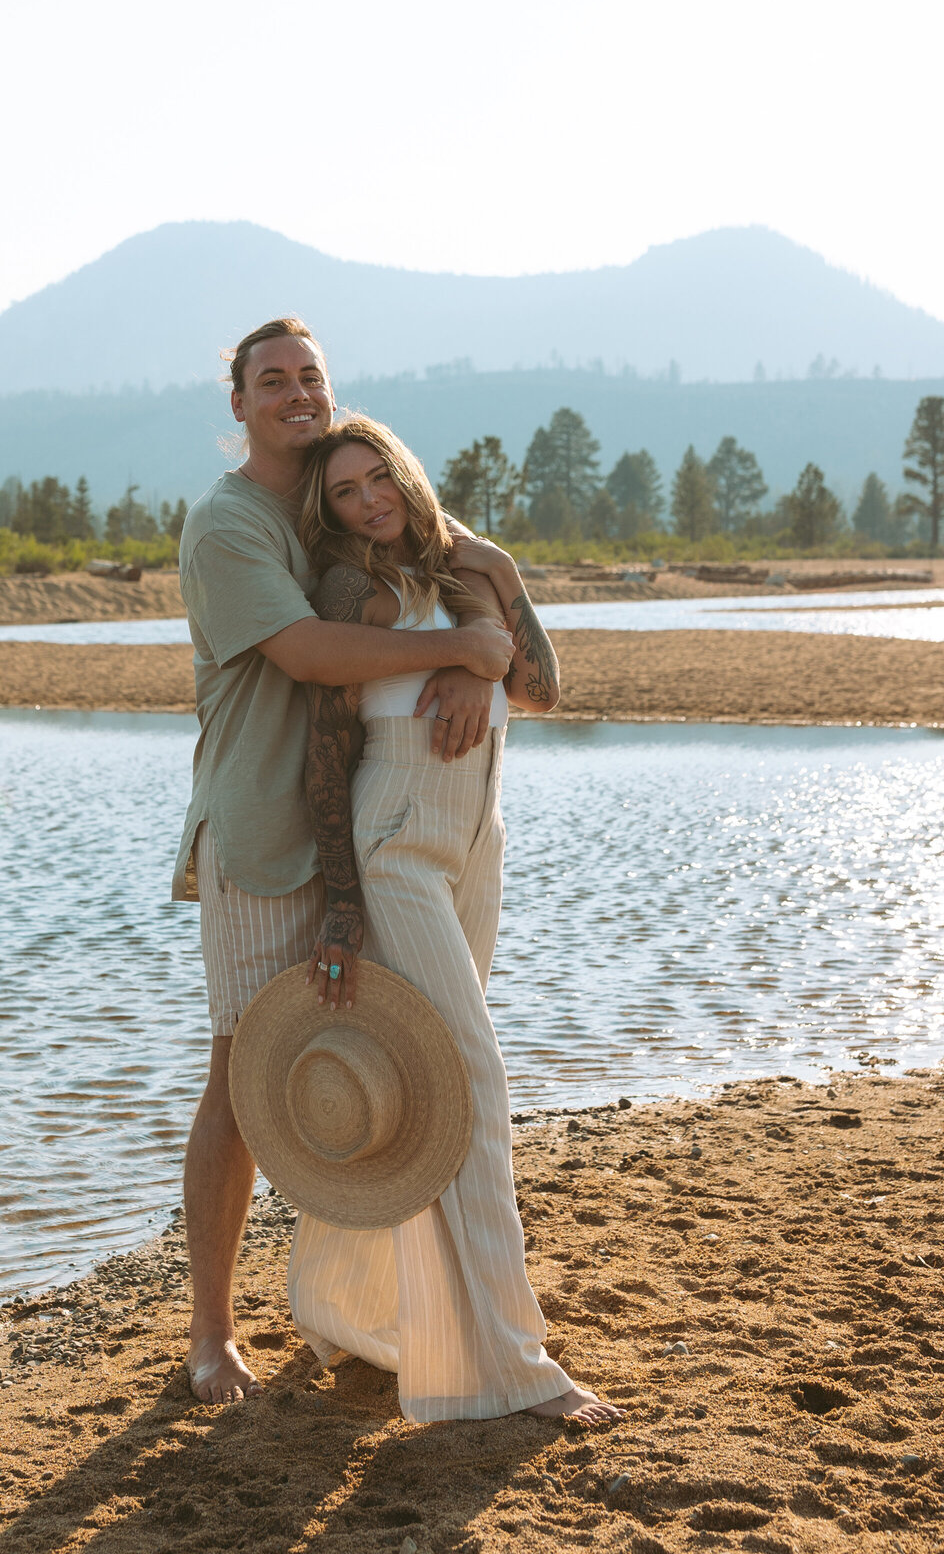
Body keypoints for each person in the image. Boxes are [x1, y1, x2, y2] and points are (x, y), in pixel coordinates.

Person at [175, 316, 517, 1403]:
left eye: (309, 375)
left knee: (373, 1066)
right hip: (258, 833)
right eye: (270, 380)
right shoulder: (229, 524)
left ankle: (349, 1306)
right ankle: (210, 1332)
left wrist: (476, 662)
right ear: (237, 404)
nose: (294, 392)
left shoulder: (345, 495)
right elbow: (308, 651)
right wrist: (455, 651)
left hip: (355, 839)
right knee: (241, 1073)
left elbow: (470, 568)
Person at [286, 414, 621, 1425]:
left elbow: (547, 690)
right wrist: (340, 904)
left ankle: (344, 1302)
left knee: (427, 1086)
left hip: (479, 840)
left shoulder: (466, 564)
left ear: (403, 471)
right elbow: (325, 746)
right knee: (468, 1081)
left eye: (374, 478)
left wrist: (500, 604)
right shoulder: (352, 588)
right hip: (395, 846)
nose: (366, 502)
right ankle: (513, 1363)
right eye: (343, 492)